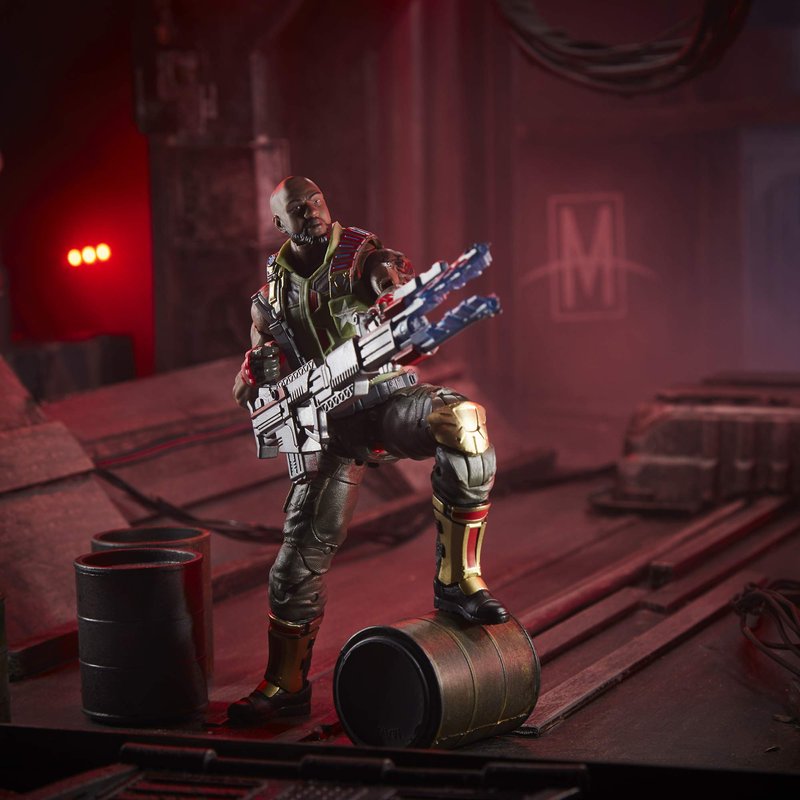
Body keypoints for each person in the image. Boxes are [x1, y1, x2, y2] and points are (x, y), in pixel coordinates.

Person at [228, 176, 508, 724]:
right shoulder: (270, 299)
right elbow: (247, 389)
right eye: (297, 209)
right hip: (328, 427)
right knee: (294, 567)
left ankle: (458, 581)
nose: (311, 212)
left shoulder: (363, 257)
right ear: (279, 224)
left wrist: (394, 297)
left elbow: (391, 287)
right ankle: (285, 685)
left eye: (316, 201)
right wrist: (255, 373)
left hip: (384, 401)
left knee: (463, 421)